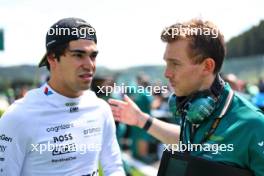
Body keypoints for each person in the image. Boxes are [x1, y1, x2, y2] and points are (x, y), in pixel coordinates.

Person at [109, 19, 264, 176]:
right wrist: (141, 120)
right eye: (166, 63)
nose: (166, 73)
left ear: (207, 66)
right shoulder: (193, 107)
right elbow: (190, 142)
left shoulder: (254, 125)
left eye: (175, 64)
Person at [0, 17, 125, 176]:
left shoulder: (100, 109)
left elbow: (114, 167)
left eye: (93, 56)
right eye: (78, 55)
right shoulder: (18, 117)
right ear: (52, 58)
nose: (89, 65)